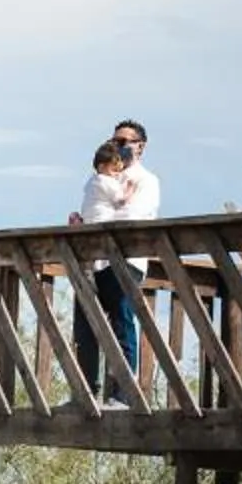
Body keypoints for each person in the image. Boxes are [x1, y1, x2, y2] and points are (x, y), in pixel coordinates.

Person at [68, 138, 140, 397]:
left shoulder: (92, 183)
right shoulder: (107, 182)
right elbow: (121, 201)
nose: (118, 171)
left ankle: (119, 393)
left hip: (109, 257)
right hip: (103, 253)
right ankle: (92, 390)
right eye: (114, 167)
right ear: (103, 166)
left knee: (121, 324)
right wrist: (129, 189)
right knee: (92, 325)